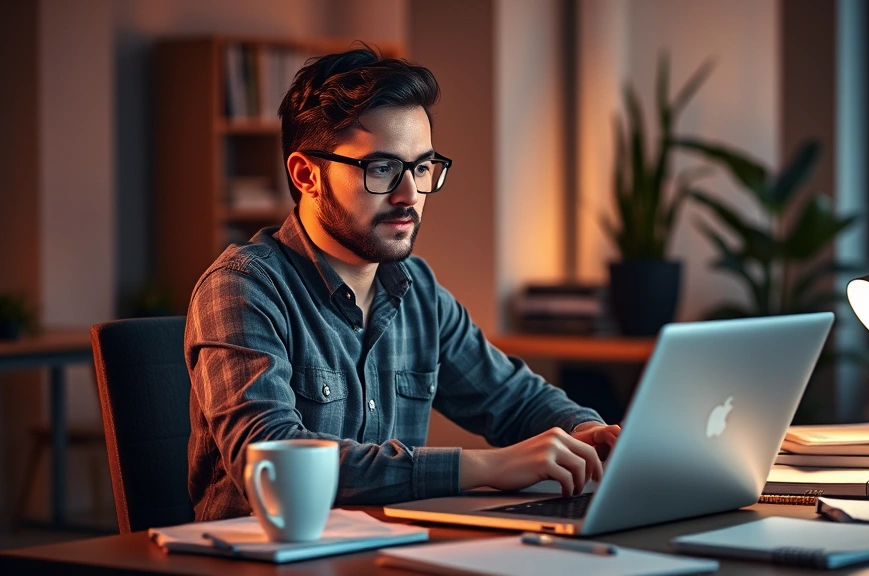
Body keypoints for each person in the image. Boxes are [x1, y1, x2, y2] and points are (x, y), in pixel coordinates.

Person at [185, 46, 621, 522]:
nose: (410, 193)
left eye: (421, 167)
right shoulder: (242, 289)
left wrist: (587, 432)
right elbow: (269, 461)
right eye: (382, 168)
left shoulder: (419, 292)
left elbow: (513, 399)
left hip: (388, 554)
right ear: (306, 174)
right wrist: (481, 466)